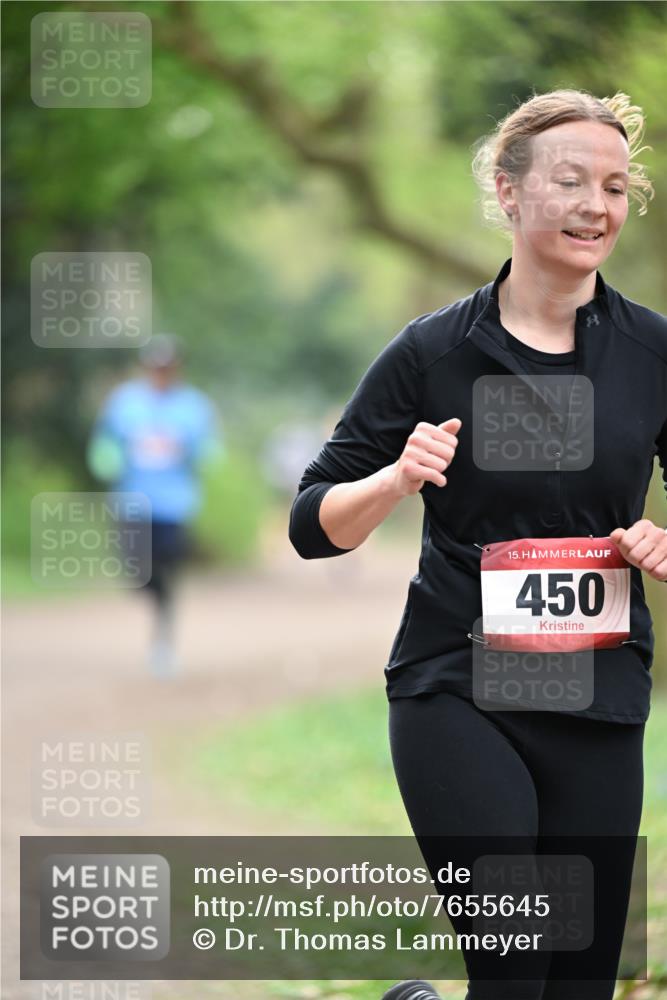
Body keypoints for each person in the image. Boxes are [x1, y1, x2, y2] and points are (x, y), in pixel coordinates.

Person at [288, 89, 665, 1000]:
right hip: (457, 688)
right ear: (508, 192)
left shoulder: (652, 353)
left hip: (598, 691)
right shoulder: (431, 353)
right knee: (512, 974)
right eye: (569, 180)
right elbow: (310, 523)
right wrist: (394, 479)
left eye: (614, 187)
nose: (595, 205)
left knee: (577, 985)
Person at [88, 334, 221, 677]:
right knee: (136, 572)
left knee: (166, 573)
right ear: (146, 367)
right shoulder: (125, 402)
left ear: (176, 368)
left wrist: (189, 452)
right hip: (132, 502)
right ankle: (157, 602)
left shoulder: (194, 406)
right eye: (155, 367)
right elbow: (105, 443)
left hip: (174, 506)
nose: (161, 373)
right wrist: (108, 462)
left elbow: (209, 450)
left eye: (167, 367)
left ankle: (162, 641)